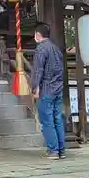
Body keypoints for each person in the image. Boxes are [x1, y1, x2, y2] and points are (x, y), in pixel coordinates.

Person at [31, 22, 67, 160]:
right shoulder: (56, 49)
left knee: (47, 120)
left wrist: (35, 87)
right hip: (58, 88)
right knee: (57, 119)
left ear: (38, 35)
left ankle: (53, 150)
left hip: (46, 88)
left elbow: (38, 70)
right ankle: (61, 150)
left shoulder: (41, 49)